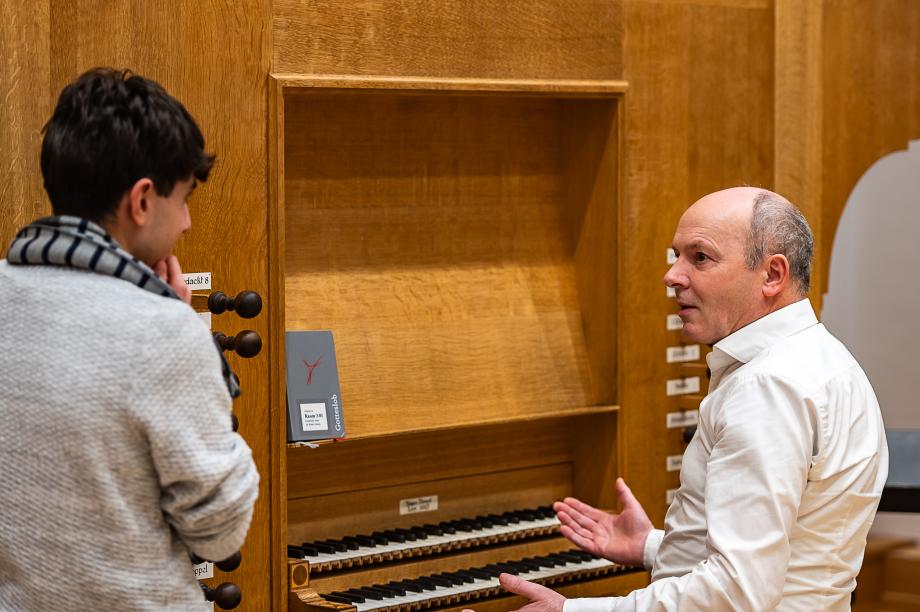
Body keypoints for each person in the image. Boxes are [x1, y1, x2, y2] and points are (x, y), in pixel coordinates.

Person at [475, 187, 889, 611]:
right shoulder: (825, 359)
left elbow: (737, 593)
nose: (672, 275)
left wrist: (572, 610)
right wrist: (653, 546)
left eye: (700, 257)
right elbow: (786, 549)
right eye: (676, 255)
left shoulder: (768, 386)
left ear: (772, 275)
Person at [0, 68, 259, 610]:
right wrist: (190, 333)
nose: (187, 222)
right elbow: (221, 531)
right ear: (142, 201)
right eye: (184, 198)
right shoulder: (163, 334)